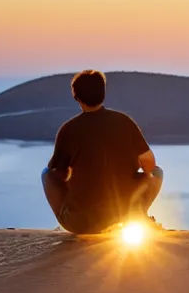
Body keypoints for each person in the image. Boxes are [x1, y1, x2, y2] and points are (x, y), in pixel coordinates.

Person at [42, 70, 163, 234]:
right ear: (103, 94)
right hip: (120, 214)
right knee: (157, 172)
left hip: (81, 224)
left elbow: (58, 174)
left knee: (46, 174)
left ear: (76, 97)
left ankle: (70, 216)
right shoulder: (124, 122)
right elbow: (150, 165)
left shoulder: (68, 130)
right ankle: (137, 213)